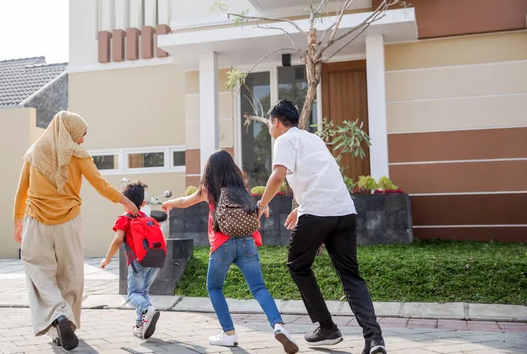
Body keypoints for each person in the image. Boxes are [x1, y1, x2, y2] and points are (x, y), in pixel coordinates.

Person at [256, 99, 386, 354]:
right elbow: (322, 176)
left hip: (318, 212)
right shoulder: (312, 139)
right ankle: (375, 339)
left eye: (269, 124)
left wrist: (261, 204)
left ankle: (327, 327)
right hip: (345, 211)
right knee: (351, 276)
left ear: (276, 122)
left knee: (297, 265)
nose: (270, 129)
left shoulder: (283, 140)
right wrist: (300, 206)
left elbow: (278, 175)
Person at [13, 111, 139, 351]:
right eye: (81, 134)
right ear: (70, 131)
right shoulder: (78, 154)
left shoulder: (34, 153)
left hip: (36, 222)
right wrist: (124, 200)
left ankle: (58, 316)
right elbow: (100, 184)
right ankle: (65, 321)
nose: (81, 140)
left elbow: (22, 191)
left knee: (39, 270)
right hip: (68, 223)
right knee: (70, 273)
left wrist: (16, 221)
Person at [161, 150, 299, 354]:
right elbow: (261, 208)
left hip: (221, 244)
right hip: (247, 242)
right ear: (231, 167)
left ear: (210, 169)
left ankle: (229, 334)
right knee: (259, 288)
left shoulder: (209, 189)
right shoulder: (242, 188)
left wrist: (169, 203)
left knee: (214, 287)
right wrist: (264, 209)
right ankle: (278, 325)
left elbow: (185, 201)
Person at [100, 181, 162, 340]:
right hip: (156, 262)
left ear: (124, 202)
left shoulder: (124, 219)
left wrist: (107, 259)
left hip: (137, 264)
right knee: (144, 292)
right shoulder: (146, 217)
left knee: (133, 295)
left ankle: (148, 309)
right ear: (143, 203)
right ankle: (140, 325)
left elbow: (118, 240)